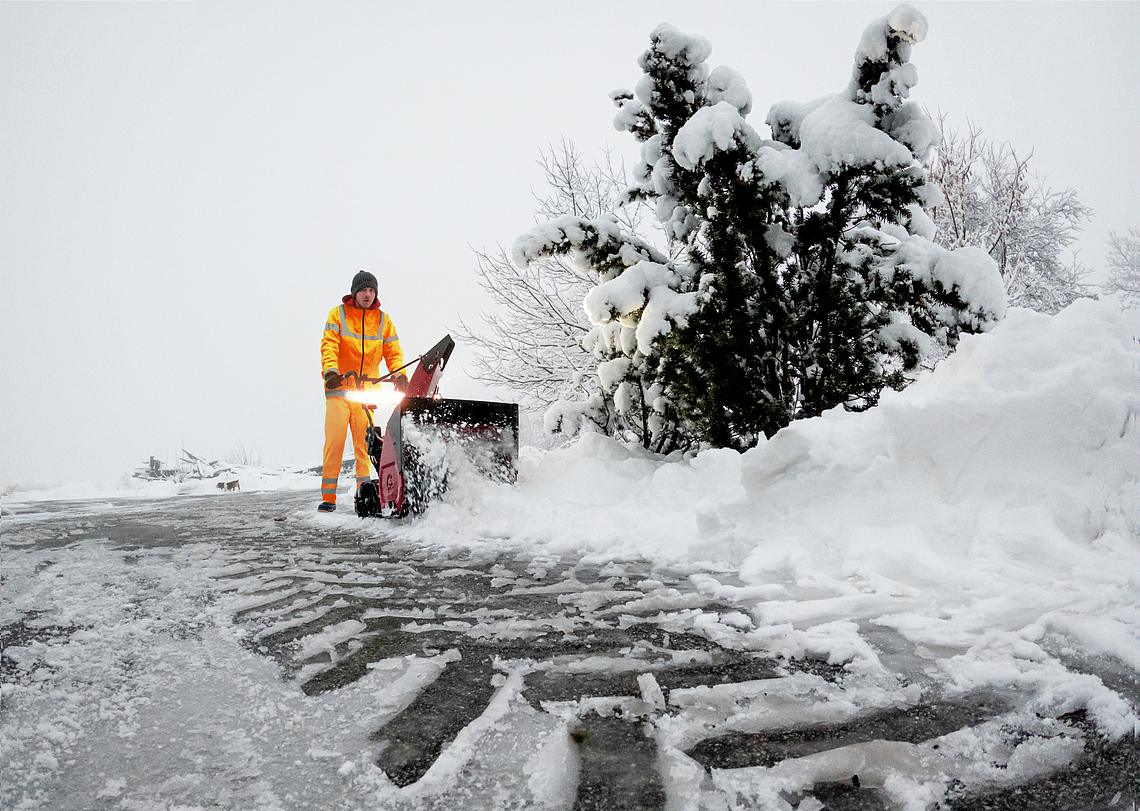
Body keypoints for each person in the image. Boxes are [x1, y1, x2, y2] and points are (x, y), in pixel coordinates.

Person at [318, 270, 407, 512]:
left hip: (365, 393)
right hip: (340, 391)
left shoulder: (383, 320)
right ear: (354, 292)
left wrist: (399, 375)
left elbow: (393, 352)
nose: (367, 295)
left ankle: (365, 497)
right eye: (363, 290)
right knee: (335, 443)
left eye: (371, 291)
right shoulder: (338, 315)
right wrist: (331, 372)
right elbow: (329, 345)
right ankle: (328, 499)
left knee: (365, 447)